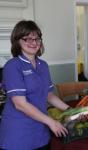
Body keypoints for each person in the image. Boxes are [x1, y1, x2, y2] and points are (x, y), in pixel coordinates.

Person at [0, 20, 70, 150]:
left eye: (37, 39)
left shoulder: (43, 65)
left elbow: (49, 95)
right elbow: (20, 104)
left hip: (41, 131)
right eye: (27, 39)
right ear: (17, 41)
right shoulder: (13, 66)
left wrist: (71, 110)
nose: (34, 43)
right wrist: (51, 122)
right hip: (18, 135)